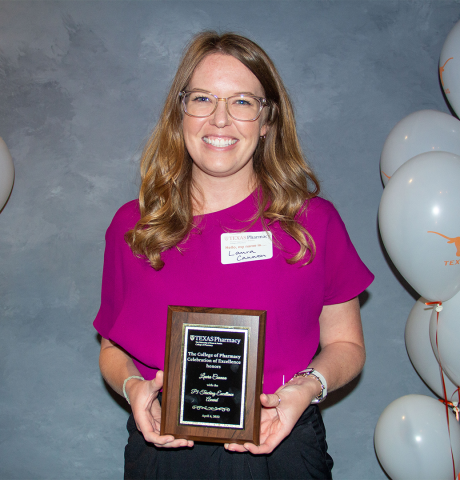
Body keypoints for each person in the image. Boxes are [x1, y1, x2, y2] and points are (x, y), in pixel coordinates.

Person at [94, 31, 374, 480]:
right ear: (180, 112)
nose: (220, 120)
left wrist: (306, 388)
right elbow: (112, 348)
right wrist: (132, 387)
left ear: (267, 120)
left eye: (242, 102)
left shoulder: (312, 223)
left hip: (280, 446)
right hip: (163, 454)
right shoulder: (134, 226)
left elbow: (347, 345)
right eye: (203, 98)